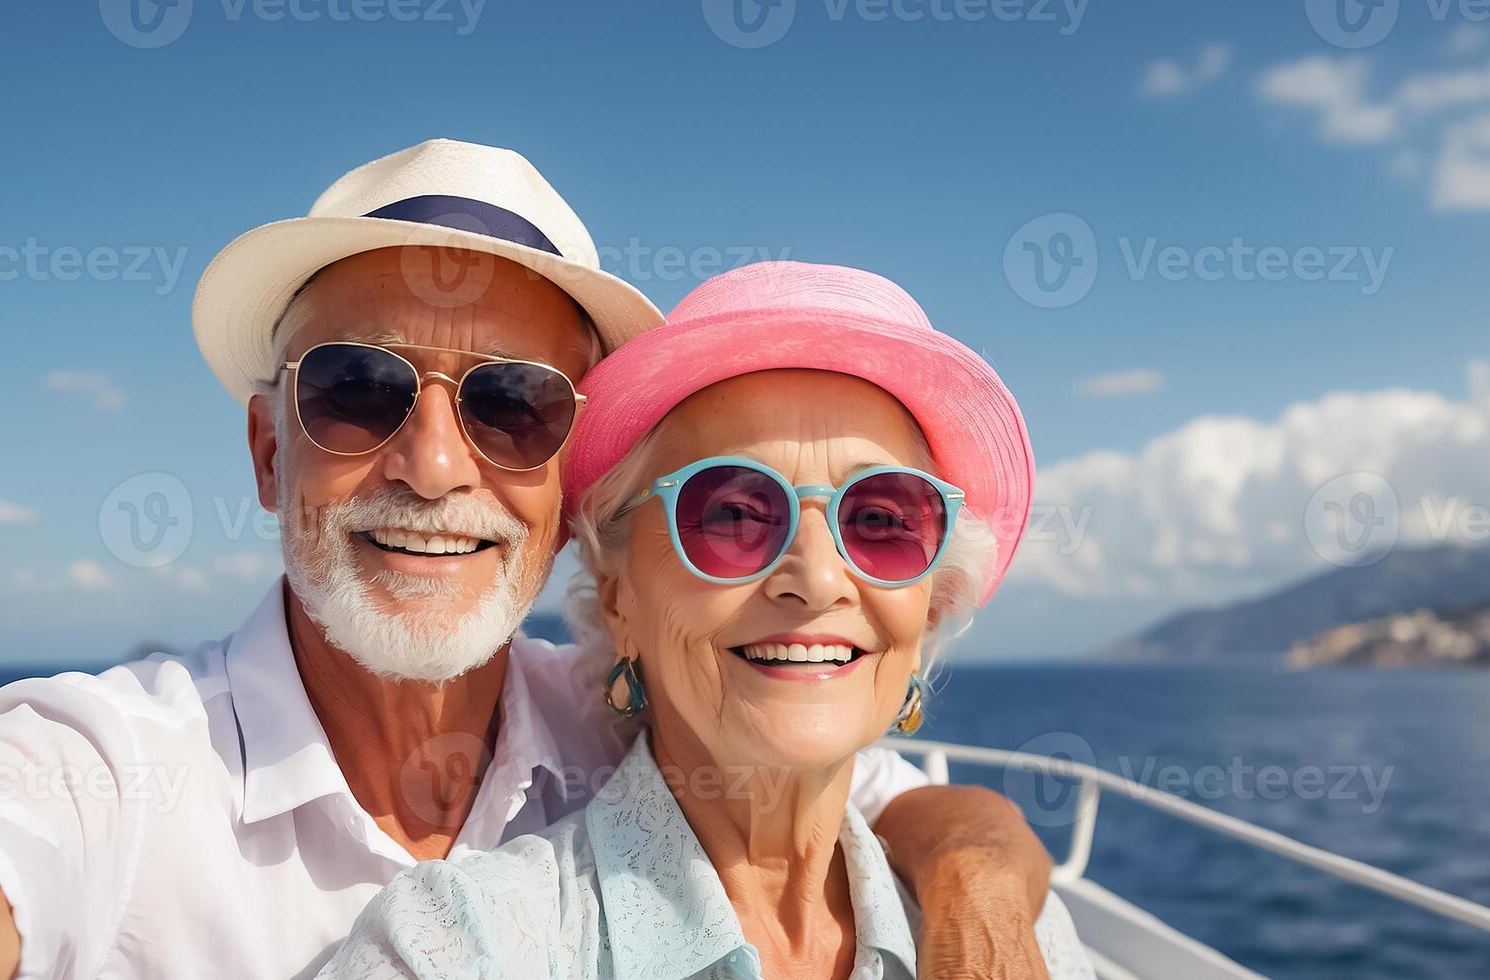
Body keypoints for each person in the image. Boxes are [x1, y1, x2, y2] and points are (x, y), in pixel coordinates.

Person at [0, 141, 1058, 980]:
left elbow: (886, 799)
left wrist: (980, 889)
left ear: (572, 495)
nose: (434, 464)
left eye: (511, 406)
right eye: (358, 392)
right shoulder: (106, 757)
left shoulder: (648, 710)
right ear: (267, 452)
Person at [319, 261, 1094, 980]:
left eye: (882, 519)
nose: (817, 579)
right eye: (730, 512)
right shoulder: (456, 946)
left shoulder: (1021, 938)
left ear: (931, 605)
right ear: (618, 596)